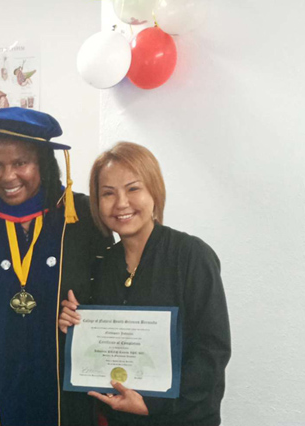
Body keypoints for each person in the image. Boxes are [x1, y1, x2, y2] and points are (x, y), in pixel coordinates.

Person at [0, 107, 110, 426]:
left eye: (20, 163)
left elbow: (111, 293)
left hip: (66, 391)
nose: (8, 176)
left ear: (41, 162)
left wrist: (88, 313)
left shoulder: (81, 217)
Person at [58, 142, 231, 426]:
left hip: (182, 419)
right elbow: (100, 350)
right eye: (108, 193)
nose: (121, 203)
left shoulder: (191, 255)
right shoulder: (102, 265)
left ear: (154, 191)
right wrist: (75, 326)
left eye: (133, 189)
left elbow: (212, 350)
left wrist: (152, 404)